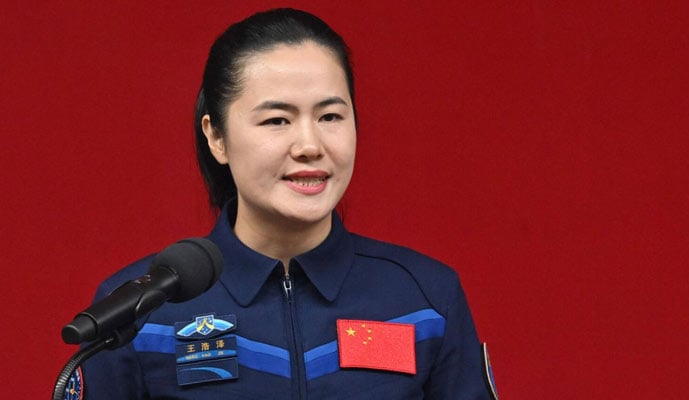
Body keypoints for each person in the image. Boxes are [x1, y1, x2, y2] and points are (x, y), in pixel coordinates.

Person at [75, 8, 498, 400]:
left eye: (330, 116)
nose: (310, 145)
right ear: (216, 137)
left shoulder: (425, 299)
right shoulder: (140, 311)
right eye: (277, 120)